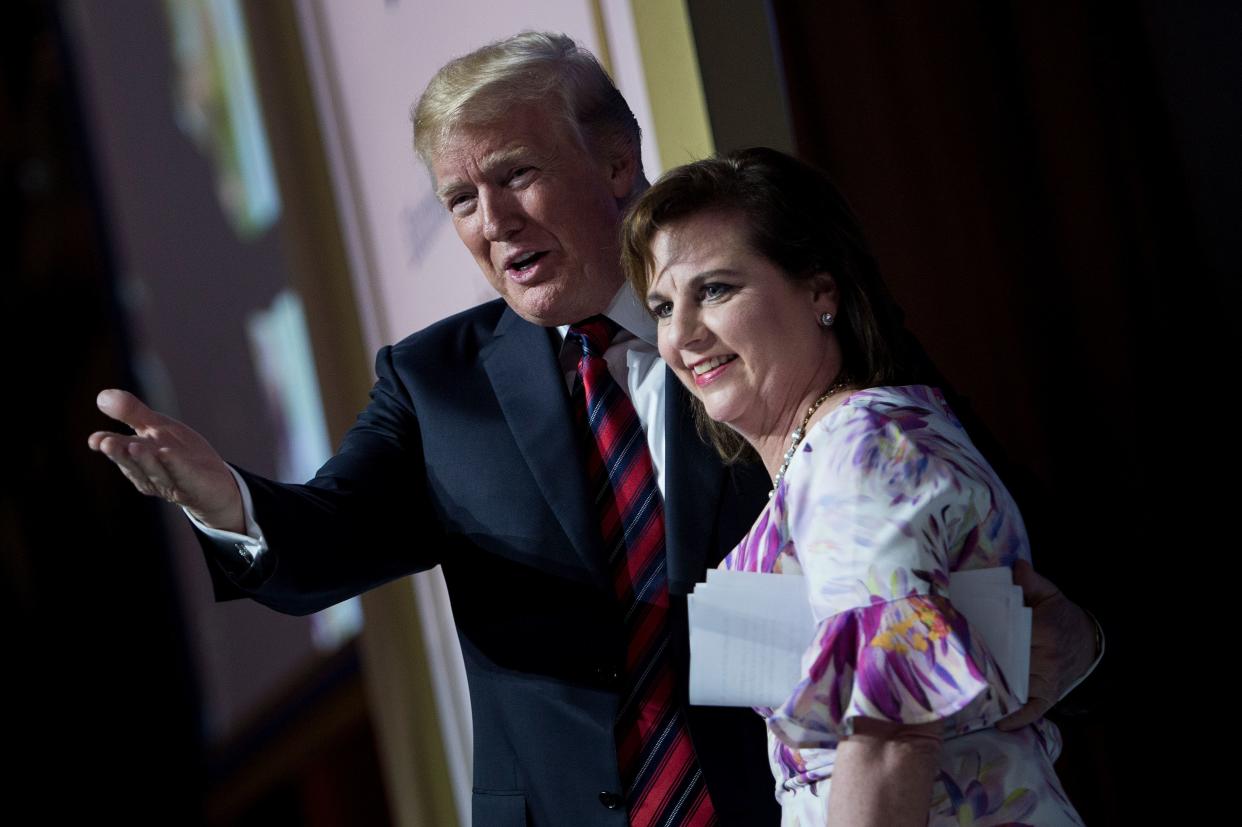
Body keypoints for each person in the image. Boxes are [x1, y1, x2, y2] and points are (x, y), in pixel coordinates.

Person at [89, 33, 1096, 827]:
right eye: (459, 200)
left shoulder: (784, 345)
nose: (490, 220)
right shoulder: (436, 382)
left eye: (516, 174)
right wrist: (226, 500)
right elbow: (326, 539)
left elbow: (988, 553)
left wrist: (1061, 642)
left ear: (619, 167)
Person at [620, 147, 1086, 826]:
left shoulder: (860, 451)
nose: (682, 334)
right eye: (663, 306)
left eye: (715, 290)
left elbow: (891, 739)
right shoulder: (820, 459)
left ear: (820, 291)